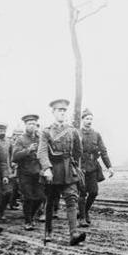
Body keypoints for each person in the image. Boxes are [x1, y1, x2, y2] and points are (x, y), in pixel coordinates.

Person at [38, 98, 86, 246]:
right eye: (59, 110)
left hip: (68, 170)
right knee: (51, 202)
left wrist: (74, 166)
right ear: (53, 112)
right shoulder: (46, 132)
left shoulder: (72, 131)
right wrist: (46, 168)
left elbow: (78, 151)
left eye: (64, 111)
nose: (62, 113)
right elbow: (42, 152)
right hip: (53, 170)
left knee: (72, 199)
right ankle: (48, 232)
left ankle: (73, 234)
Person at [78, 108, 113, 227]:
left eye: (91, 119)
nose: (89, 121)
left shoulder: (96, 134)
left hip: (92, 167)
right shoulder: (77, 133)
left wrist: (109, 166)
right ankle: (82, 217)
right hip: (80, 168)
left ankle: (85, 211)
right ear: (82, 120)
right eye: (87, 119)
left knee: (94, 192)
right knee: (82, 193)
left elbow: (103, 151)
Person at [12, 114, 45, 230]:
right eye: (29, 124)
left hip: (38, 172)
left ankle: (31, 215)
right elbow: (15, 157)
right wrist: (28, 150)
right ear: (25, 125)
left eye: (34, 124)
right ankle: (28, 221)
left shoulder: (40, 138)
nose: (32, 126)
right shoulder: (20, 139)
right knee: (28, 197)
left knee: (40, 197)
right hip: (25, 173)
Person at [0, 123, 13, 223]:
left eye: (4, 130)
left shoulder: (8, 142)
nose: (2, 132)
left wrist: (12, 166)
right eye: (0, 130)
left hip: (6, 170)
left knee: (8, 192)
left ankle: (2, 211)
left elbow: (11, 155)